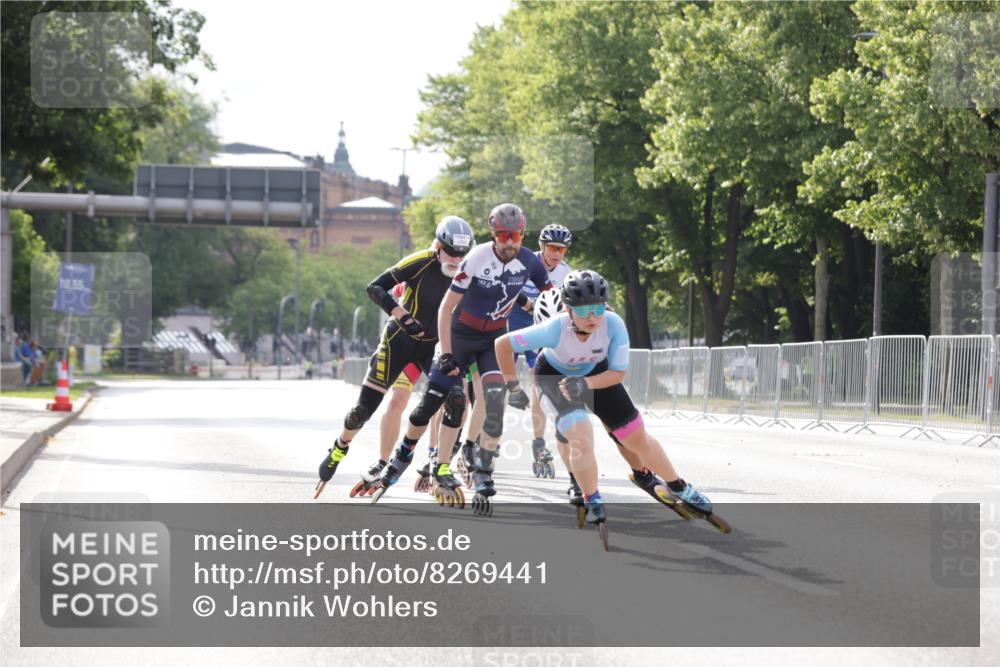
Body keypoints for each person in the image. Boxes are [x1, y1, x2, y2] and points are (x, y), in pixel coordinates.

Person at [494, 269, 715, 528]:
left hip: (596, 374)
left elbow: (618, 373)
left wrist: (585, 383)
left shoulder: (613, 324)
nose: (592, 317)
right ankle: (592, 497)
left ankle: (679, 487)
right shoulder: (554, 329)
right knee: (581, 434)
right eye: (584, 310)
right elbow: (502, 345)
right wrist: (512, 386)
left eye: (598, 309)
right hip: (553, 377)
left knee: (637, 437)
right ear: (568, 309)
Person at [374, 203, 552, 513]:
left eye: (517, 235)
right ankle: (404, 455)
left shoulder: (529, 263)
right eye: (504, 235)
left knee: (494, 399)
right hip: (460, 335)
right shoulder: (475, 258)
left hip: (493, 340)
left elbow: (553, 298)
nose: (510, 242)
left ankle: (479, 466)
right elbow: (445, 308)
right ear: (493, 234)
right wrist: (445, 352)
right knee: (437, 403)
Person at [314, 217, 475, 498]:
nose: (456, 260)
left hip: (433, 346)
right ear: (437, 246)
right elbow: (375, 287)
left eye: (462, 255)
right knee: (362, 412)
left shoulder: (469, 270)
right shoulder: (420, 261)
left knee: (457, 399)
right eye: (451, 252)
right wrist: (401, 314)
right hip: (398, 341)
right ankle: (340, 447)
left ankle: (440, 466)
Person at [505, 224, 574, 477]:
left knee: (538, 382)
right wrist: (527, 303)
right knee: (498, 384)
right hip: (511, 322)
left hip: (539, 326)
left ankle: (538, 443)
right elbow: (505, 290)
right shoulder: (523, 261)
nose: (557, 254)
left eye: (562, 249)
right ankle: (486, 438)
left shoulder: (566, 273)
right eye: (553, 248)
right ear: (542, 246)